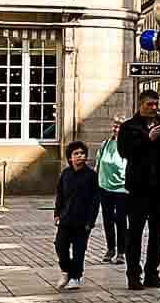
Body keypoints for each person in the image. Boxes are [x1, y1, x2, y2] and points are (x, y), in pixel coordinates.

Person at [118, 90, 160, 290]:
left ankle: (152, 272)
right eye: (149, 104)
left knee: (157, 234)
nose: (153, 108)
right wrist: (147, 139)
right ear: (140, 104)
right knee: (134, 233)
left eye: (155, 104)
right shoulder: (129, 127)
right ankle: (133, 274)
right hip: (138, 189)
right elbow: (125, 152)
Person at [53, 140, 100, 291]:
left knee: (79, 250)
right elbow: (60, 195)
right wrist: (57, 214)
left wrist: (90, 221)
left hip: (82, 220)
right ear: (70, 157)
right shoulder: (66, 174)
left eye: (82, 153)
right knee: (60, 246)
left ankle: (76, 277)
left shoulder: (91, 176)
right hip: (66, 218)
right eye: (76, 154)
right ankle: (66, 270)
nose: (80, 156)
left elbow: (95, 200)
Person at [95, 119, 128, 265]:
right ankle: (110, 248)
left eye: (119, 127)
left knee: (120, 219)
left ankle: (122, 251)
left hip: (122, 188)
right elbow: (98, 164)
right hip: (104, 187)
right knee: (107, 219)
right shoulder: (105, 144)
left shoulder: (127, 146)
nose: (116, 129)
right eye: (114, 126)